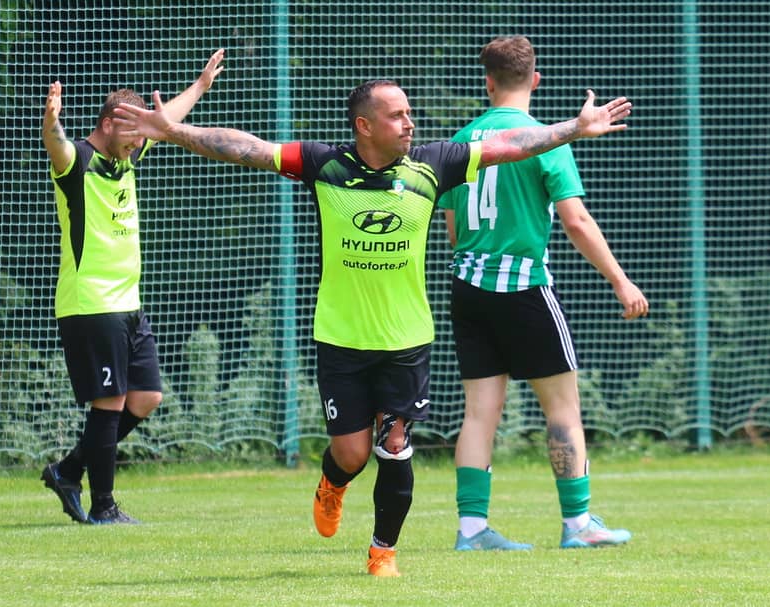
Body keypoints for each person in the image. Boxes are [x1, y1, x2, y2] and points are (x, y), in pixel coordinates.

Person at [111, 77, 631, 575]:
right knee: (352, 454)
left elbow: (509, 145)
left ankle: (383, 553)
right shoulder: (325, 165)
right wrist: (173, 130)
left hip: (407, 340)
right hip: (341, 338)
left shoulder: (433, 164)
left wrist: (573, 127)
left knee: (395, 444)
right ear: (364, 126)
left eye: (409, 113)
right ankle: (332, 484)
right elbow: (248, 148)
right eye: (397, 115)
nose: (409, 123)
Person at [437, 36, 648, 551]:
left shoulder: (458, 142)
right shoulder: (545, 138)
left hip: (467, 288)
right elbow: (576, 221)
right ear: (535, 79)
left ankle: (472, 530)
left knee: (479, 413)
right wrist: (620, 280)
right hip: (524, 287)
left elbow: (452, 230)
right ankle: (578, 524)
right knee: (562, 408)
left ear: (487, 82)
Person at [39, 49, 226, 525]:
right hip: (91, 303)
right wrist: (51, 122)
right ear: (108, 124)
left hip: (127, 303)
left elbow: (166, 122)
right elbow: (57, 146)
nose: (141, 141)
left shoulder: (127, 154)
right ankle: (103, 506)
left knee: (146, 397)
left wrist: (200, 86)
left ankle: (68, 470)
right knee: (110, 403)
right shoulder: (79, 162)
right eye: (134, 132)